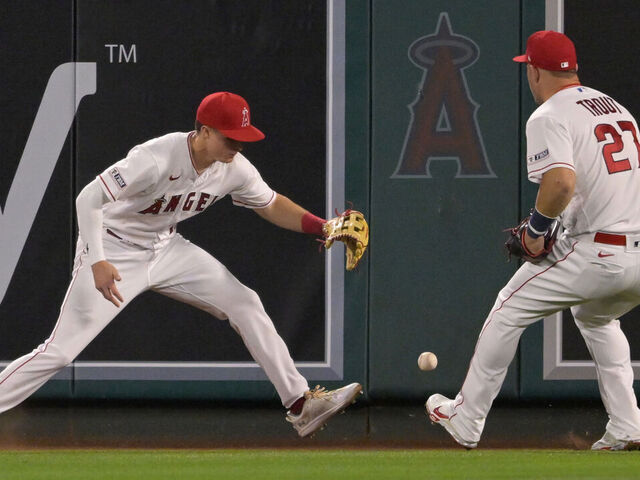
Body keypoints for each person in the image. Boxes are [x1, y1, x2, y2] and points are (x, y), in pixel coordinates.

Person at [0, 91, 361, 438]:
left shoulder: (234, 167)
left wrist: (324, 226)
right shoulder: (156, 157)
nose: (237, 145)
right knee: (60, 351)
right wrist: (98, 259)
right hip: (113, 248)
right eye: (229, 137)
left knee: (244, 302)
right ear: (204, 131)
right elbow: (88, 197)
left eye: (242, 137)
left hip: (166, 248)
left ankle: (301, 405)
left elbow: (269, 203)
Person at [426, 31, 640, 450]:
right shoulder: (619, 110)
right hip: (636, 249)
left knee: (507, 308)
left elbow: (560, 184)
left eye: (528, 68)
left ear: (535, 70)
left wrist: (538, 230)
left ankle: (466, 417)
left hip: (598, 252)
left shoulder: (548, 114)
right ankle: (628, 424)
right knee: (597, 318)